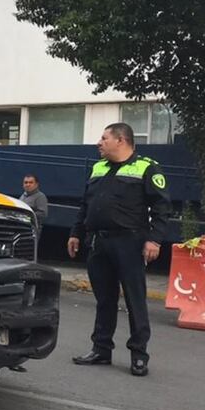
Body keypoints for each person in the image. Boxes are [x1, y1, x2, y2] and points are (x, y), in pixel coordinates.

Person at [67, 123, 171, 377]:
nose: (98, 143)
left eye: (104, 138)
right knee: (104, 299)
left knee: (135, 299)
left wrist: (154, 240)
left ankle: (138, 354)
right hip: (99, 242)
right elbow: (85, 204)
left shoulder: (146, 167)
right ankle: (101, 349)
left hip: (130, 242)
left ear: (121, 140)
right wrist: (75, 233)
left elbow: (161, 208)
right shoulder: (98, 167)